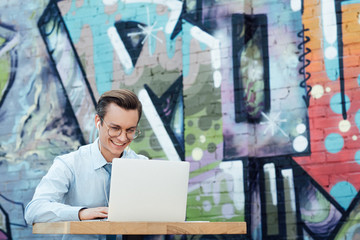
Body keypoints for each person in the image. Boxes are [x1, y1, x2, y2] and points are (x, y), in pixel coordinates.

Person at [25, 89, 148, 239]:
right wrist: (80, 213)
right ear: (98, 122)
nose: (122, 138)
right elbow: (34, 210)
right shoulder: (69, 164)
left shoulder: (143, 166)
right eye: (115, 128)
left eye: (130, 130)